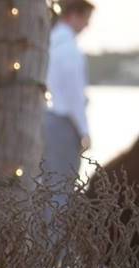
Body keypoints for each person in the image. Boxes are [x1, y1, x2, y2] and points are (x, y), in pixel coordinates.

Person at [42, 0, 94, 187]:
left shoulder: (49, 44)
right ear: (73, 16)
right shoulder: (70, 50)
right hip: (63, 125)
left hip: (44, 120)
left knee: (45, 184)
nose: (87, 25)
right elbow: (75, 97)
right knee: (61, 186)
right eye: (86, 19)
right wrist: (84, 132)